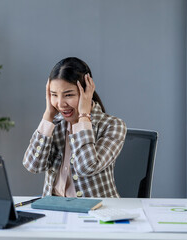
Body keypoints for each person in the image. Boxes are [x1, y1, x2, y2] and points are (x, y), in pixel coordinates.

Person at [23, 57, 126, 198]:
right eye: (54, 95)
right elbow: (33, 165)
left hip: (96, 211)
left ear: (87, 92)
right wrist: (48, 116)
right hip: (54, 209)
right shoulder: (55, 125)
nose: (60, 104)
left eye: (68, 95)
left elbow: (86, 167)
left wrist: (84, 117)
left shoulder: (113, 126)